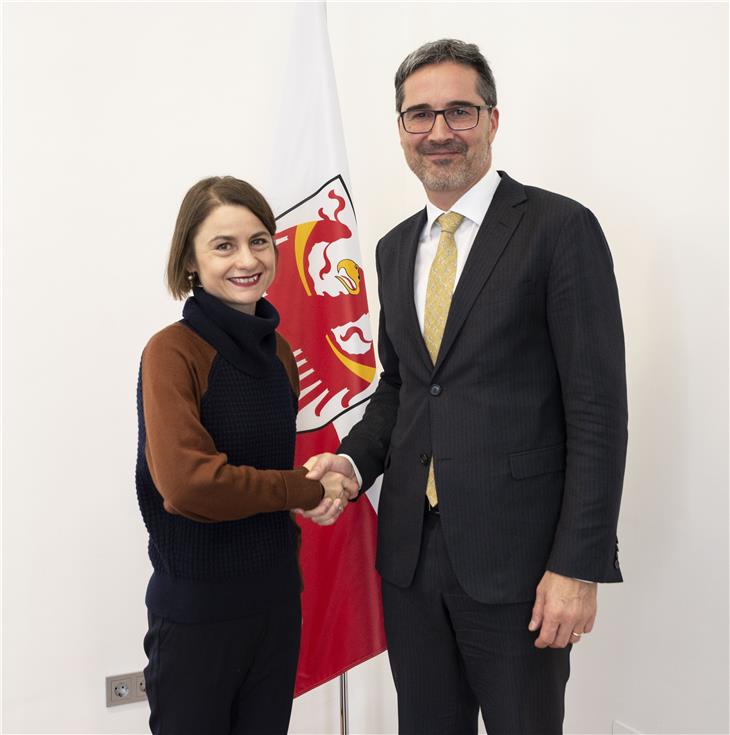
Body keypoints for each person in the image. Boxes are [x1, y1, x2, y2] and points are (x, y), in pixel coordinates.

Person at [303, 39, 628, 733]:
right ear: (400, 130)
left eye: (459, 111)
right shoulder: (393, 249)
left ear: (492, 119)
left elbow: (598, 411)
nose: (439, 132)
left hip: (522, 567)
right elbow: (404, 388)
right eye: (420, 115)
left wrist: (579, 564)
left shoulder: (558, 229)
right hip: (411, 564)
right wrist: (353, 463)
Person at [135, 176, 354, 735]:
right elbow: (190, 486)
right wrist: (304, 490)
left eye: (260, 241)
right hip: (197, 615)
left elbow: (260, 476)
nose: (247, 259)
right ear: (190, 259)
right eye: (223, 245)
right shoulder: (171, 352)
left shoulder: (279, 352)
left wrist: (311, 496)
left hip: (277, 603)